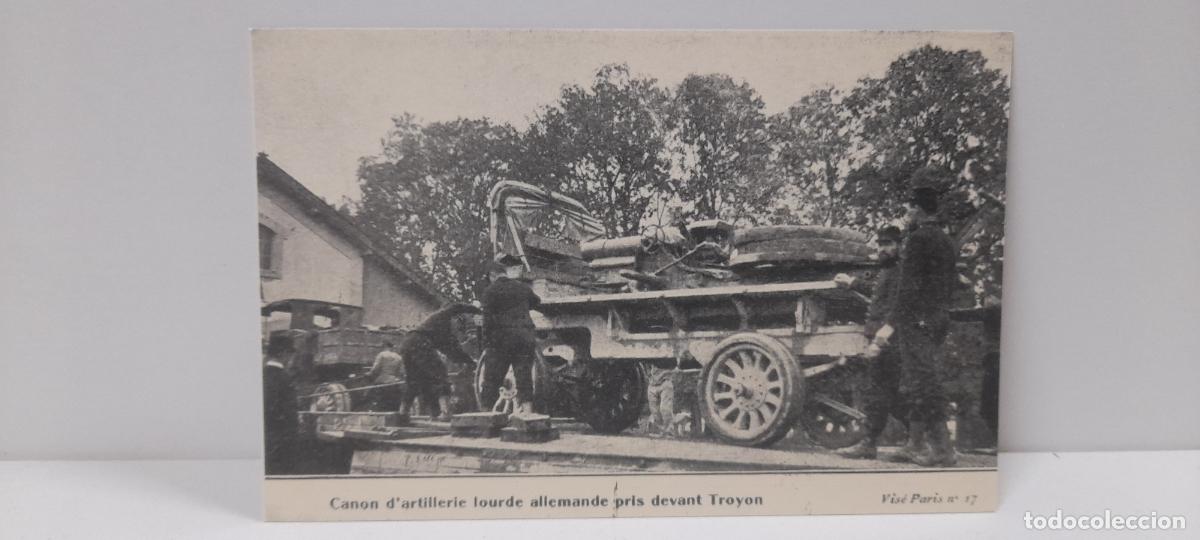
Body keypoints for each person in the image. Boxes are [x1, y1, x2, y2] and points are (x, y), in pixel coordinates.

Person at [872, 166, 959, 467]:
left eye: (908, 209)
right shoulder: (946, 241)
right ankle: (914, 444)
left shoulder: (918, 240)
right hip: (938, 319)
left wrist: (888, 326)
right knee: (919, 379)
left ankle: (942, 450)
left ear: (917, 209)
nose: (906, 215)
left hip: (916, 322)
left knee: (923, 382)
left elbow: (907, 290)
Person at [832, 225, 907, 459]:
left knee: (879, 392)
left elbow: (897, 306)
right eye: (881, 244)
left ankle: (869, 444)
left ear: (899, 246)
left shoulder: (901, 271)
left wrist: (882, 338)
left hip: (887, 339)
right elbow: (876, 293)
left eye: (889, 244)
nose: (883, 249)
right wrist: (853, 283)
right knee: (891, 395)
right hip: (882, 337)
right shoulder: (888, 271)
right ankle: (924, 439)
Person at [398, 302, 483, 422]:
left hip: (408, 342)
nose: (458, 329)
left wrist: (469, 362)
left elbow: (452, 351)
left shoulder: (437, 326)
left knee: (415, 380)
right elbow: (456, 307)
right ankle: (446, 412)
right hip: (419, 342)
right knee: (440, 375)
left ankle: (403, 413)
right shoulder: (446, 315)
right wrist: (477, 311)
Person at [479, 264, 542, 415]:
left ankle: (485, 413)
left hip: (501, 340)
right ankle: (528, 413)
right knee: (524, 376)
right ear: (505, 273)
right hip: (524, 338)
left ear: (492, 276)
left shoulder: (490, 291)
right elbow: (537, 301)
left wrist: (486, 343)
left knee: (491, 378)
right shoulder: (522, 287)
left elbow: (486, 321)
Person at [263, 334, 299, 475]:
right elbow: (290, 415)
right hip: (281, 443)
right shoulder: (285, 378)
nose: (290, 360)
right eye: (290, 355)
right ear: (284, 354)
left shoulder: (260, 374)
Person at [365, 340, 405, 412]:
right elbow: (401, 372)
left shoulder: (382, 355)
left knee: (369, 395)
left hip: (382, 381)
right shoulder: (399, 357)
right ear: (392, 347)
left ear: (384, 346)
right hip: (394, 382)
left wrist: (369, 374)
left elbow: (376, 368)